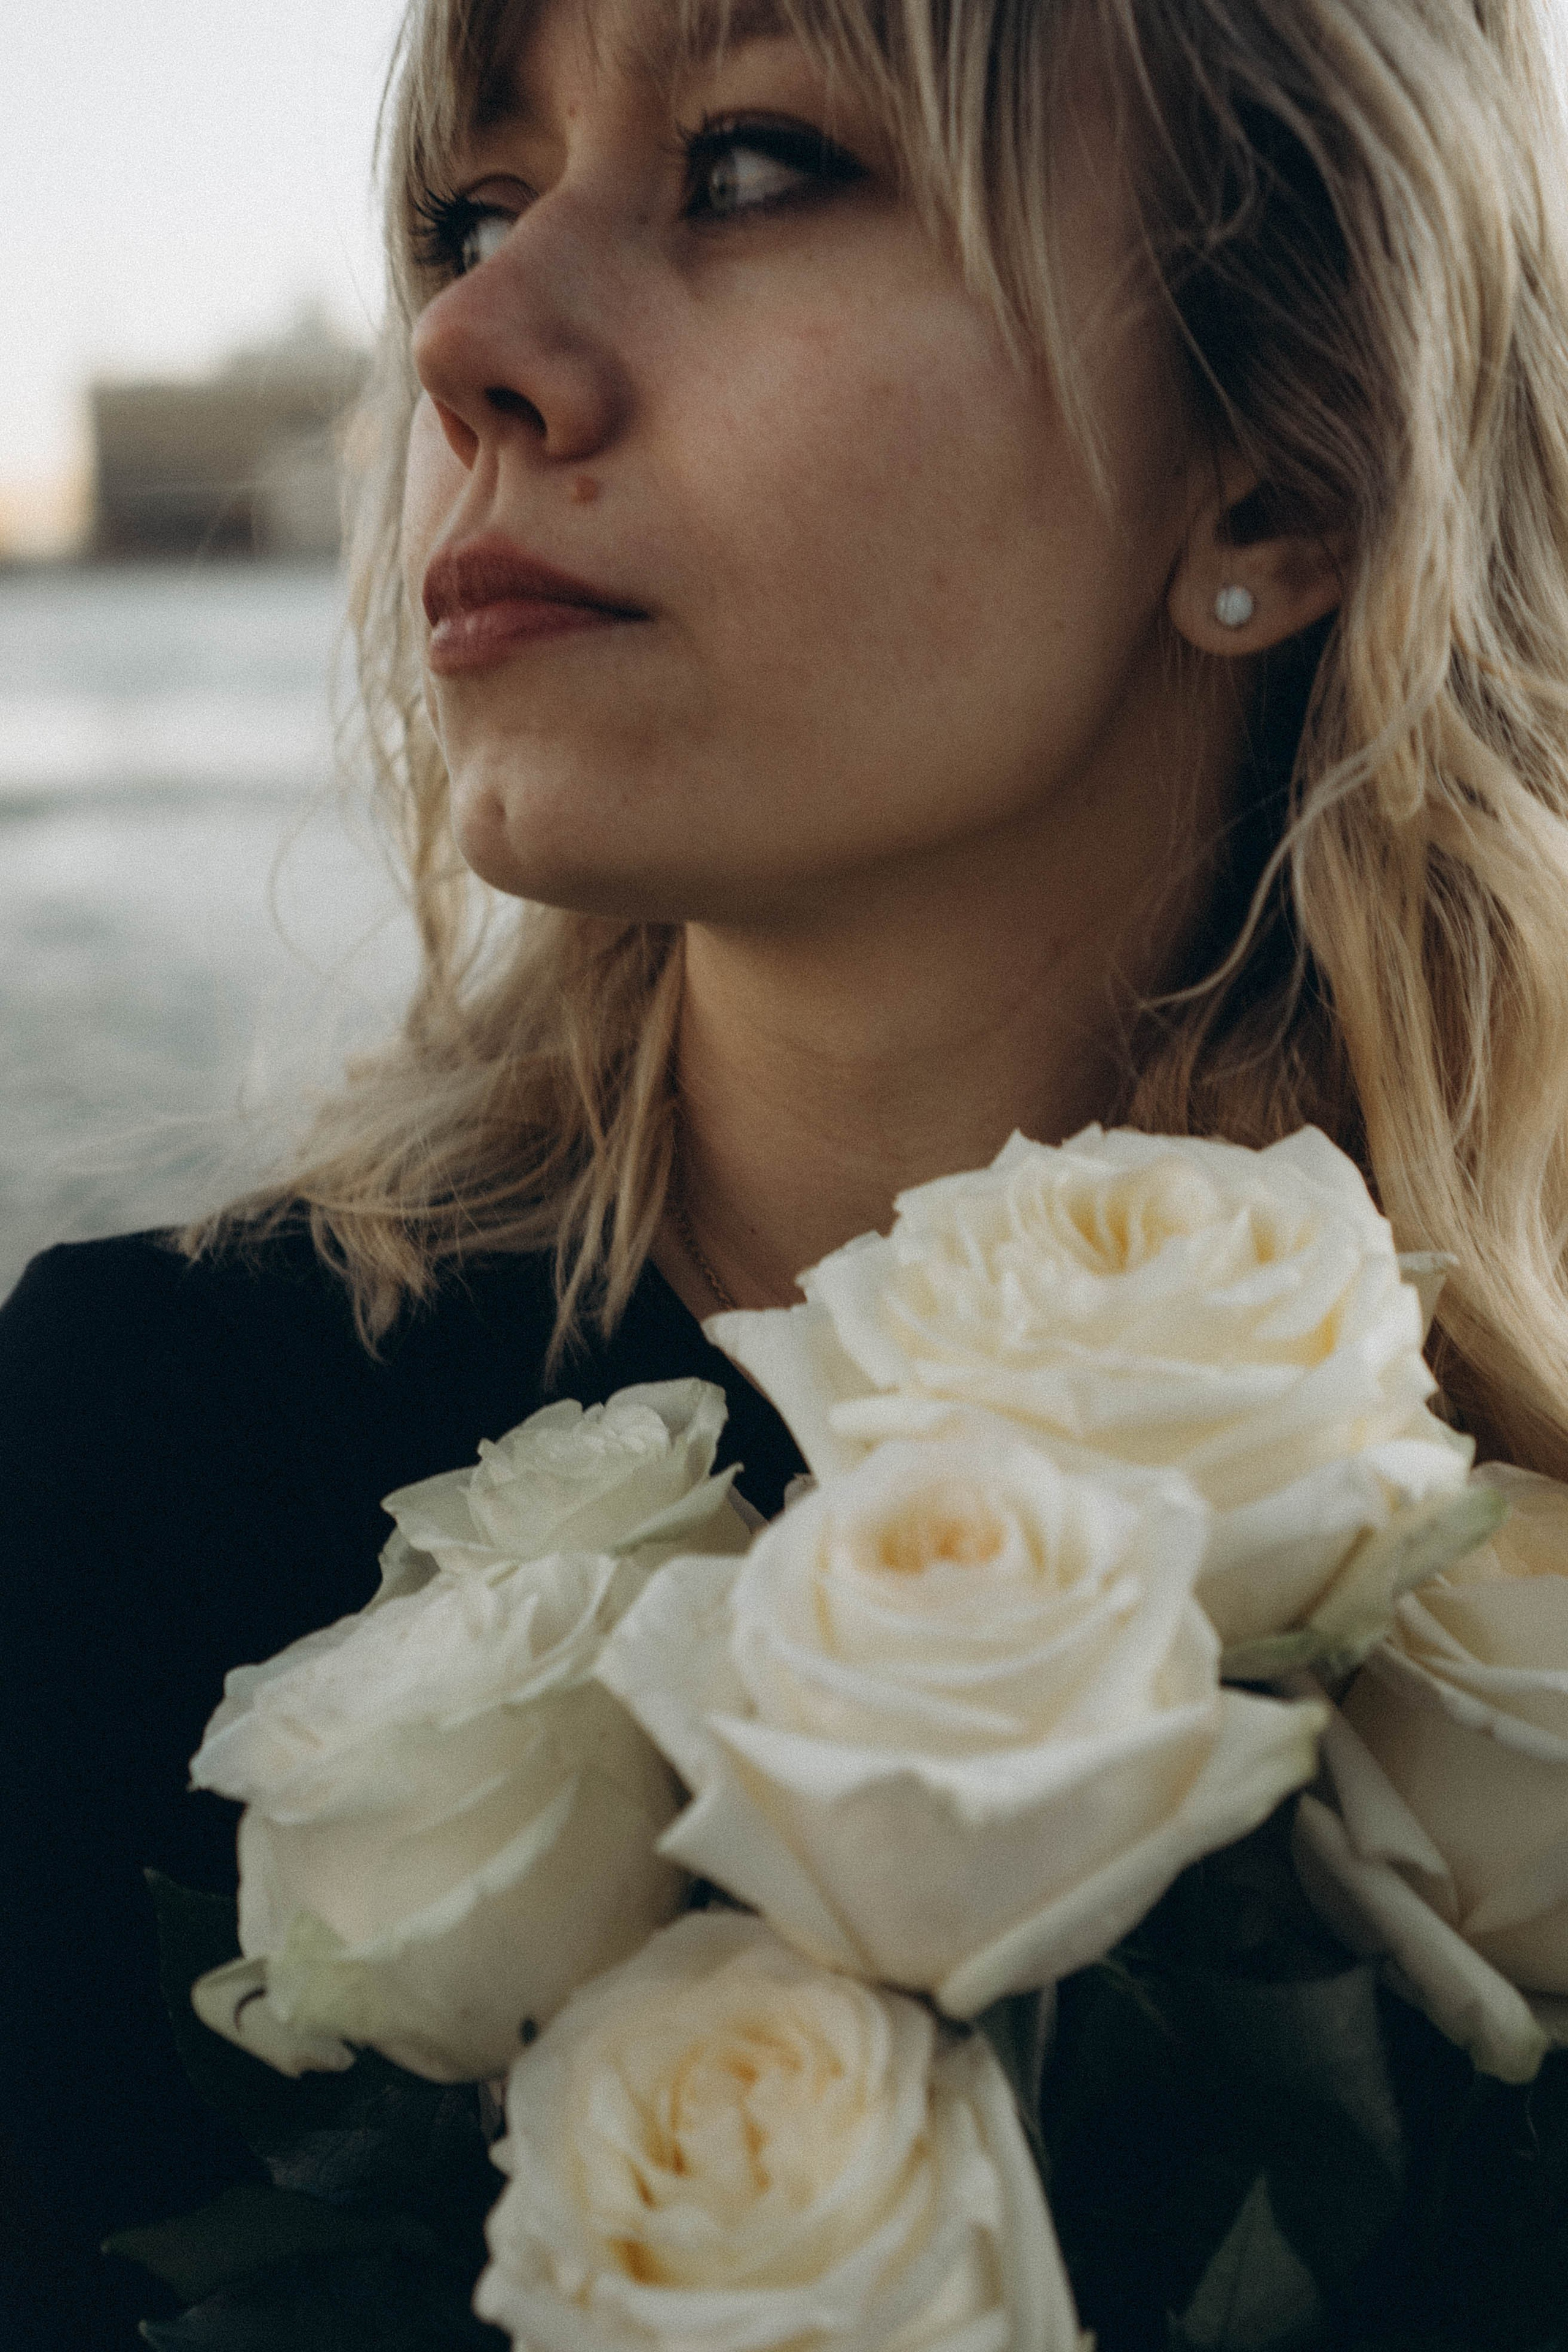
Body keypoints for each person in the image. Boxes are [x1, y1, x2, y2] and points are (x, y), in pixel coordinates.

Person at [6, 0, 1568, 2341]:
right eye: (476, 204)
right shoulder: (128, 1468)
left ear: (1276, 475)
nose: (467, 337)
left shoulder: (1516, 1593)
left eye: (751, 164)